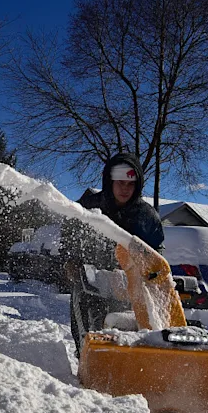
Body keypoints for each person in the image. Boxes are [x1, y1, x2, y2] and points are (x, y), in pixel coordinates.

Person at [61, 152, 164, 355]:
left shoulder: (146, 215)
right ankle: (86, 361)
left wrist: (153, 272)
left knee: (129, 332)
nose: (125, 188)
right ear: (110, 182)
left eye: (130, 184)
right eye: (120, 183)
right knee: (89, 332)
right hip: (90, 280)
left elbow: (156, 250)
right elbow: (69, 233)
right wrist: (70, 260)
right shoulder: (90, 206)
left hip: (129, 283)